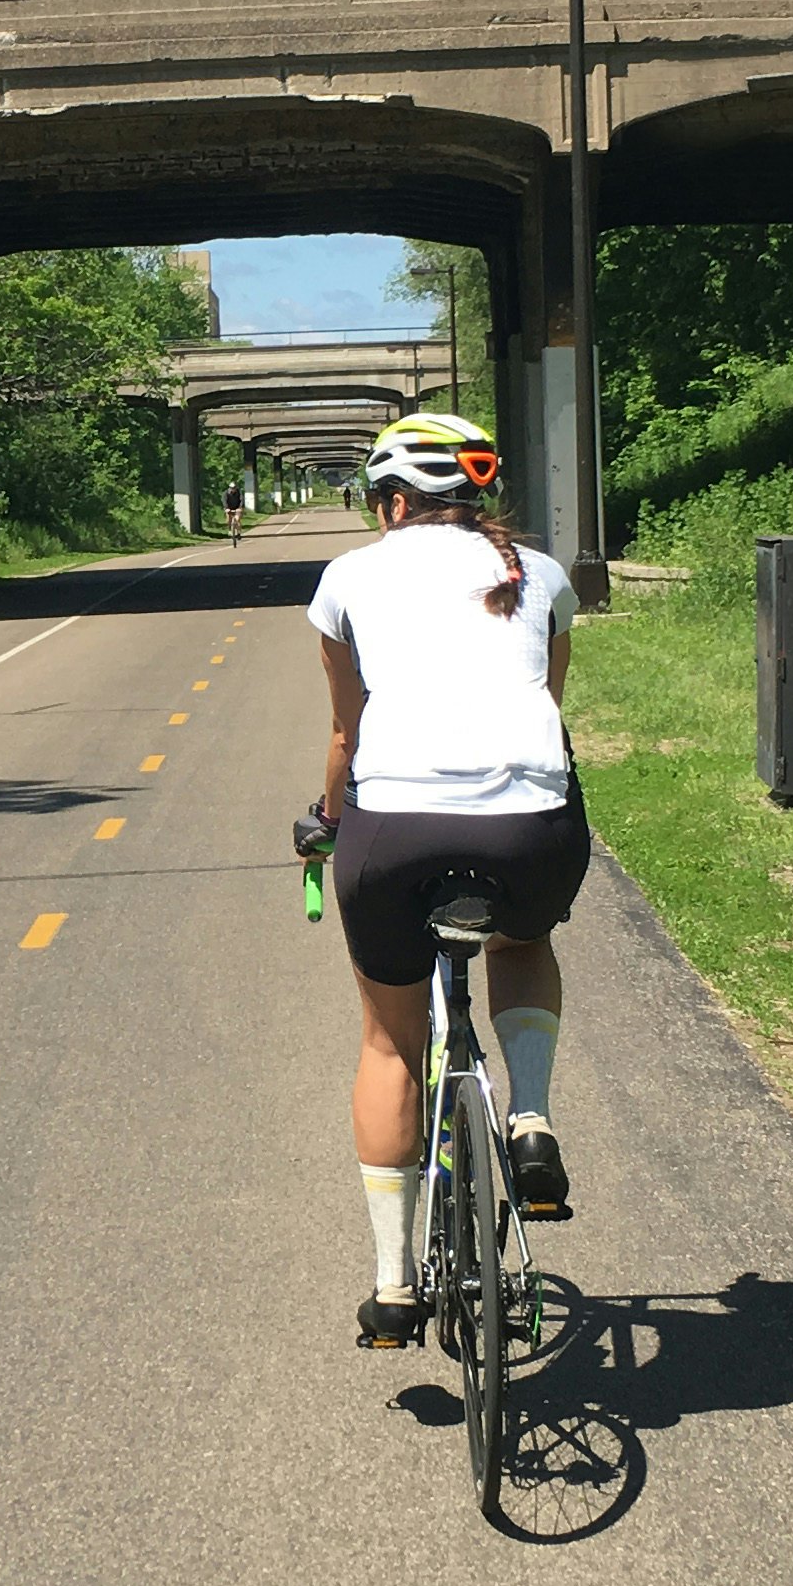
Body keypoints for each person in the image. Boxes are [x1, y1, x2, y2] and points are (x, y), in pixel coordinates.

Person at [293, 412, 588, 1348]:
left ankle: (391, 1287)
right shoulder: (539, 575)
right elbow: (544, 700)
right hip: (530, 830)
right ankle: (531, 1117)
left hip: (394, 832)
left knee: (389, 1042)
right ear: (477, 497)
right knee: (523, 940)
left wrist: (325, 823)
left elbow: (350, 731)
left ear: (388, 500)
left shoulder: (348, 577)